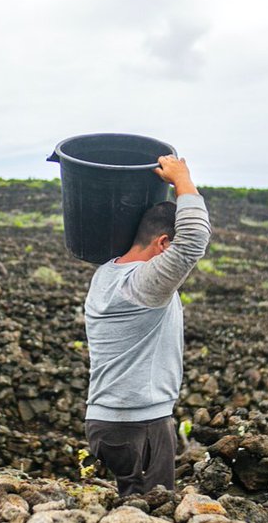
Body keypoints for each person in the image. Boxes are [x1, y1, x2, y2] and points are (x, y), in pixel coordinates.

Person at [83, 155, 211, 496]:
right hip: (139, 425)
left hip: (104, 423)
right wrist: (182, 178)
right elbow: (195, 238)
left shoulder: (105, 274)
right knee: (151, 513)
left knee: (127, 506)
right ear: (163, 244)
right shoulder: (142, 285)